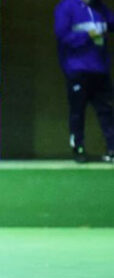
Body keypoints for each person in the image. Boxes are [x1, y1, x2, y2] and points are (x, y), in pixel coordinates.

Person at [55, 0, 114, 163]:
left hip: (100, 69)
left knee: (107, 110)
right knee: (77, 112)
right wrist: (88, 35)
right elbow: (62, 35)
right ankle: (78, 148)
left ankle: (112, 149)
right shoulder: (66, 7)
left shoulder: (100, 7)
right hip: (77, 69)